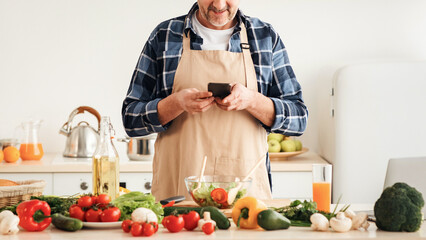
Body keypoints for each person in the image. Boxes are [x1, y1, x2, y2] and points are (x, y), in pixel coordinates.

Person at [122, 0, 308, 201]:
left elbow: (299, 119)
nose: (219, 4)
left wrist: (252, 101)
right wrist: (176, 103)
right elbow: (131, 119)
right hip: (178, 198)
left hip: (245, 201)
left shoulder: (264, 37)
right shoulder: (165, 36)